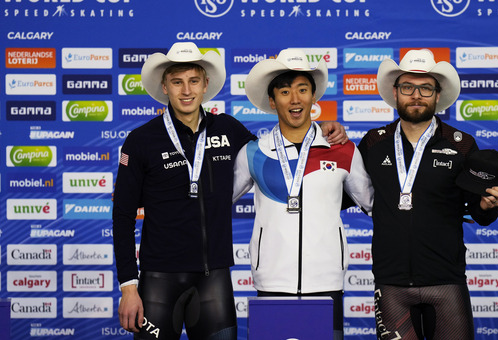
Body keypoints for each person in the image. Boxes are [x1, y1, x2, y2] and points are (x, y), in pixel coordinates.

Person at [112, 42, 349, 340]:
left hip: (215, 280)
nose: (186, 91)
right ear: (165, 86)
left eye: (193, 81)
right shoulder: (140, 140)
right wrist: (128, 286)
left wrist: (321, 129)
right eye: (177, 82)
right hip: (158, 280)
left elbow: (279, 149)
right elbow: (122, 215)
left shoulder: (228, 129)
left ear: (205, 84)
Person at [357, 49, 498, 340]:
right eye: (408, 87)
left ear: (438, 95)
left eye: (425, 88)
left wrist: (487, 206)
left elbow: (480, 211)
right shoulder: (374, 143)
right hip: (391, 284)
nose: (416, 95)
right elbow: (345, 191)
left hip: (446, 281)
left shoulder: (462, 145)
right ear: (395, 93)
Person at [233, 48, 374, 340]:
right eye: (285, 91)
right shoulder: (253, 152)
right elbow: (212, 202)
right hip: (272, 282)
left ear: (313, 98)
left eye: (302, 90)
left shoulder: (343, 149)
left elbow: (375, 204)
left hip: (326, 282)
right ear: (272, 101)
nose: (295, 99)